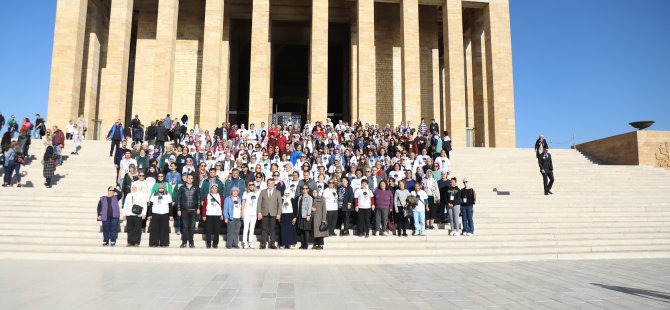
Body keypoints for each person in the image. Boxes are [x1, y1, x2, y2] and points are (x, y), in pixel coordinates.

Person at [176, 174, 200, 248]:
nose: (190, 179)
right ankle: (184, 242)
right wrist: (179, 209)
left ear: (193, 179)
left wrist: (198, 208)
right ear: (186, 179)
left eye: (191, 178)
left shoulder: (196, 188)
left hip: (193, 210)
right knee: (185, 227)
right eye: (188, 178)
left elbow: (198, 198)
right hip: (184, 210)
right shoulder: (182, 187)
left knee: (192, 227)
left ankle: (191, 242)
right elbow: (178, 199)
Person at [202, 184, 224, 248]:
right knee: (208, 230)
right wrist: (204, 215)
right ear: (211, 189)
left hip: (217, 215)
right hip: (209, 214)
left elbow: (222, 206)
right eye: (213, 188)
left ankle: (215, 244)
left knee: (217, 230)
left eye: (215, 188)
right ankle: (208, 243)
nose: (214, 189)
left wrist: (222, 214)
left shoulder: (220, 197)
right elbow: (204, 206)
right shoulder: (207, 196)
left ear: (217, 189)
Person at [241, 182, 260, 249]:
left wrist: (258, 213)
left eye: (252, 184)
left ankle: (250, 242)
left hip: (254, 213)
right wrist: (242, 213)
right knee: (246, 228)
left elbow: (258, 204)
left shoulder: (257, 193)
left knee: (252, 229)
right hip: (247, 213)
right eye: (250, 185)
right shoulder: (245, 193)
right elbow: (243, 203)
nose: (251, 186)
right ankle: (244, 242)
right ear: (248, 186)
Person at [296, 185, 313, 249]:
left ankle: (306, 245)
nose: (304, 190)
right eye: (303, 188)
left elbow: (309, 206)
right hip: (300, 215)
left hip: (306, 215)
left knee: (306, 231)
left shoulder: (309, 198)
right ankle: (302, 244)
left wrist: (308, 215)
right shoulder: (300, 197)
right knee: (301, 231)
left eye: (306, 188)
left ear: (308, 189)